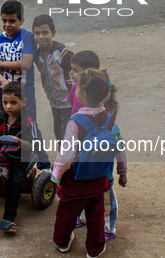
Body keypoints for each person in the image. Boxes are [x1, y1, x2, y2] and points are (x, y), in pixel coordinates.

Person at [52, 69, 127, 258]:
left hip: (75, 181)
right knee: (96, 217)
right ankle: (94, 249)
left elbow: (66, 155)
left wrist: (56, 176)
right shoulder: (110, 119)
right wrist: (122, 171)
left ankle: (62, 242)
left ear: (83, 95)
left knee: (66, 214)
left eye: (76, 88)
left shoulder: (75, 122)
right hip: (99, 179)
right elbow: (119, 147)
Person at [0, 0, 50, 170]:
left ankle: (44, 165)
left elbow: (27, 62)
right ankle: (9, 161)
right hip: (3, 93)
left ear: (21, 21)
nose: (7, 25)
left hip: (24, 94)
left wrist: (1, 62)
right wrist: (3, 81)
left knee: (31, 127)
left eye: (12, 21)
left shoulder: (27, 37)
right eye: (4, 20)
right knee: (6, 126)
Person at [68, 51, 121, 241]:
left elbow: (117, 144)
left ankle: (108, 228)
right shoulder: (75, 90)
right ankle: (83, 217)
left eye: (76, 71)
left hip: (100, 164)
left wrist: (122, 170)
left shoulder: (107, 115)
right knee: (86, 191)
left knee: (106, 197)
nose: (72, 74)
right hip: (83, 159)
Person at [0, 82, 35, 233]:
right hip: (1, 154)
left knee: (15, 182)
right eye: (5, 102)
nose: (8, 107)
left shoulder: (27, 122)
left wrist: (19, 141)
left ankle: (9, 218)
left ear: (24, 102)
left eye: (13, 103)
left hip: (18, 158)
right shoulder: (1, 116)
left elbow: (31, 145)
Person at [32, 14, 73, 140]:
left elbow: (80, 67)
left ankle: (70, 159)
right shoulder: (36, 55)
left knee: (69, 135)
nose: (40, 37)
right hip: (54, 102)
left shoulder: (62, 53)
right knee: (59, 134)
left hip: (68, 103)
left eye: (45, 32)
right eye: (37, 33)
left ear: (53, 33)